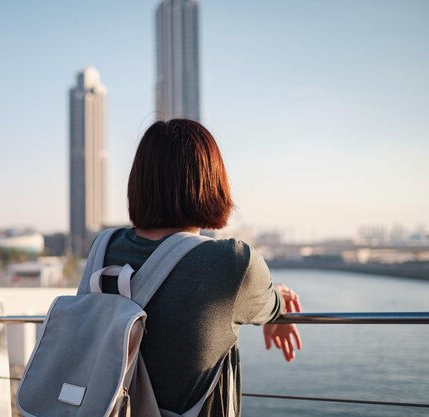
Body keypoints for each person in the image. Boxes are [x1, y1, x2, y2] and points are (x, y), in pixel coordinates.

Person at [100, 119, 302, 417]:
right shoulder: (232, 263)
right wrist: (279, 301)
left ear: (138, 182)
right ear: (211, 181)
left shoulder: (103, 247)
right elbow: (270, 303)